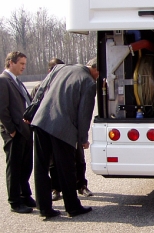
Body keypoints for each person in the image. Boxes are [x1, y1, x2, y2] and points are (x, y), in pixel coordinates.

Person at [31, 58, 99, 218]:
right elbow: (84, 114)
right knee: (67, 168)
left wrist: (32, 110)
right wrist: (83, 139)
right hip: (63, 128)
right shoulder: (88, 82)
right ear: (95, 69)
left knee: (41, 167)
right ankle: (72, 207)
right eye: (99, 74)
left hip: (41, 121)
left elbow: (41, 90)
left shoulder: (60, 68)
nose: (99, 77)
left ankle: (44, 207)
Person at [0, 51, 36, 214]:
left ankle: (25, 195)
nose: (23, 67)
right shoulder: (3, 81)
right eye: (21, 64)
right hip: (15, 133)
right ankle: (15, 201)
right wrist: (11, 130)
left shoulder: (16, 81)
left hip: (25, 131)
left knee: (25, 166)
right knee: (14, 168)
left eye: (24, 64)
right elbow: (2, 109)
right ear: (11, 63)